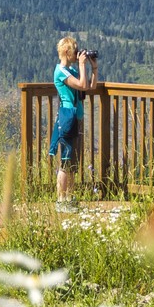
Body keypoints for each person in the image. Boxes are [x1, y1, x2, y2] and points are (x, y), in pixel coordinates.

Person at [48, 36, 97, 211]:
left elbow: (89, 87)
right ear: (67, 52)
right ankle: (61, 200)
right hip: (68, 118)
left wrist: (94, 68)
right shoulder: (61, 72)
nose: (77, 54)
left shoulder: (71, 70)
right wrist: (82, 65)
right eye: (75, 51)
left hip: (77, 117)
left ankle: (69, 198)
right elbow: (82, 84)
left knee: (73, 161)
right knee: (66, 161)